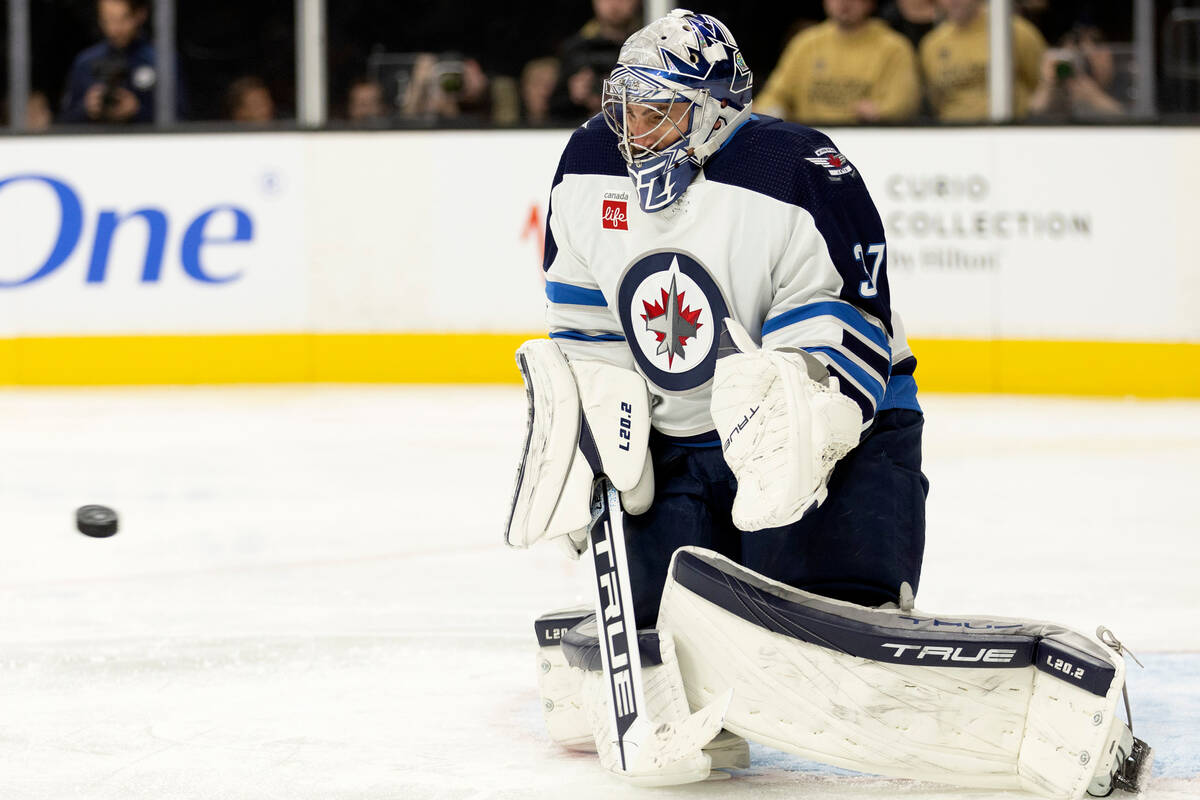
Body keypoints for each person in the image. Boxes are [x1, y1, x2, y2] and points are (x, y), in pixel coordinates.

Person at [755, 0, 921, 124]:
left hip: (867, 139)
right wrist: (770, 111)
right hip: (809, 141)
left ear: (870, 3)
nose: (844, 3)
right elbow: (775, 94)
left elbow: (904, 103)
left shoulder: (894, 47)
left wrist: (881, 112)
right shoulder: (806, 44)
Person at [919, 0, 1046, 121]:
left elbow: (1041, 84)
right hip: (952, 132)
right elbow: (935, 99)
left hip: (1010, 130)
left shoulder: (1013, 31)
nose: (953, 1)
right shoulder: (932, 44)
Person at [60, 0, 183, 124]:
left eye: (122, 20)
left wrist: (137, 111)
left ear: (140, 14)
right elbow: (64, 121)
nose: (115, 29)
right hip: (96, 141)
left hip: (145, 141)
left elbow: (182, 117)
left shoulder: (159, 61)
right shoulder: (85, 62)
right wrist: (86, 109)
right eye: (107, 20)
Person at [547, 0, 642, 123]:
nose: (614, 4)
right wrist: (573, 96)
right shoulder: (577, 49)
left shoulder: (647, 46)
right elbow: (553, 110)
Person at [1028, 24, 1124, 119]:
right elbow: (1033, 120)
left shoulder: (1124, 81)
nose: (1080, 70)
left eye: (1086, 61)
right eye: (1074, 63)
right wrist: (1048, 87)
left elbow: (1127, 119)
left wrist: (1094, 97)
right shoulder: (1060, 91)